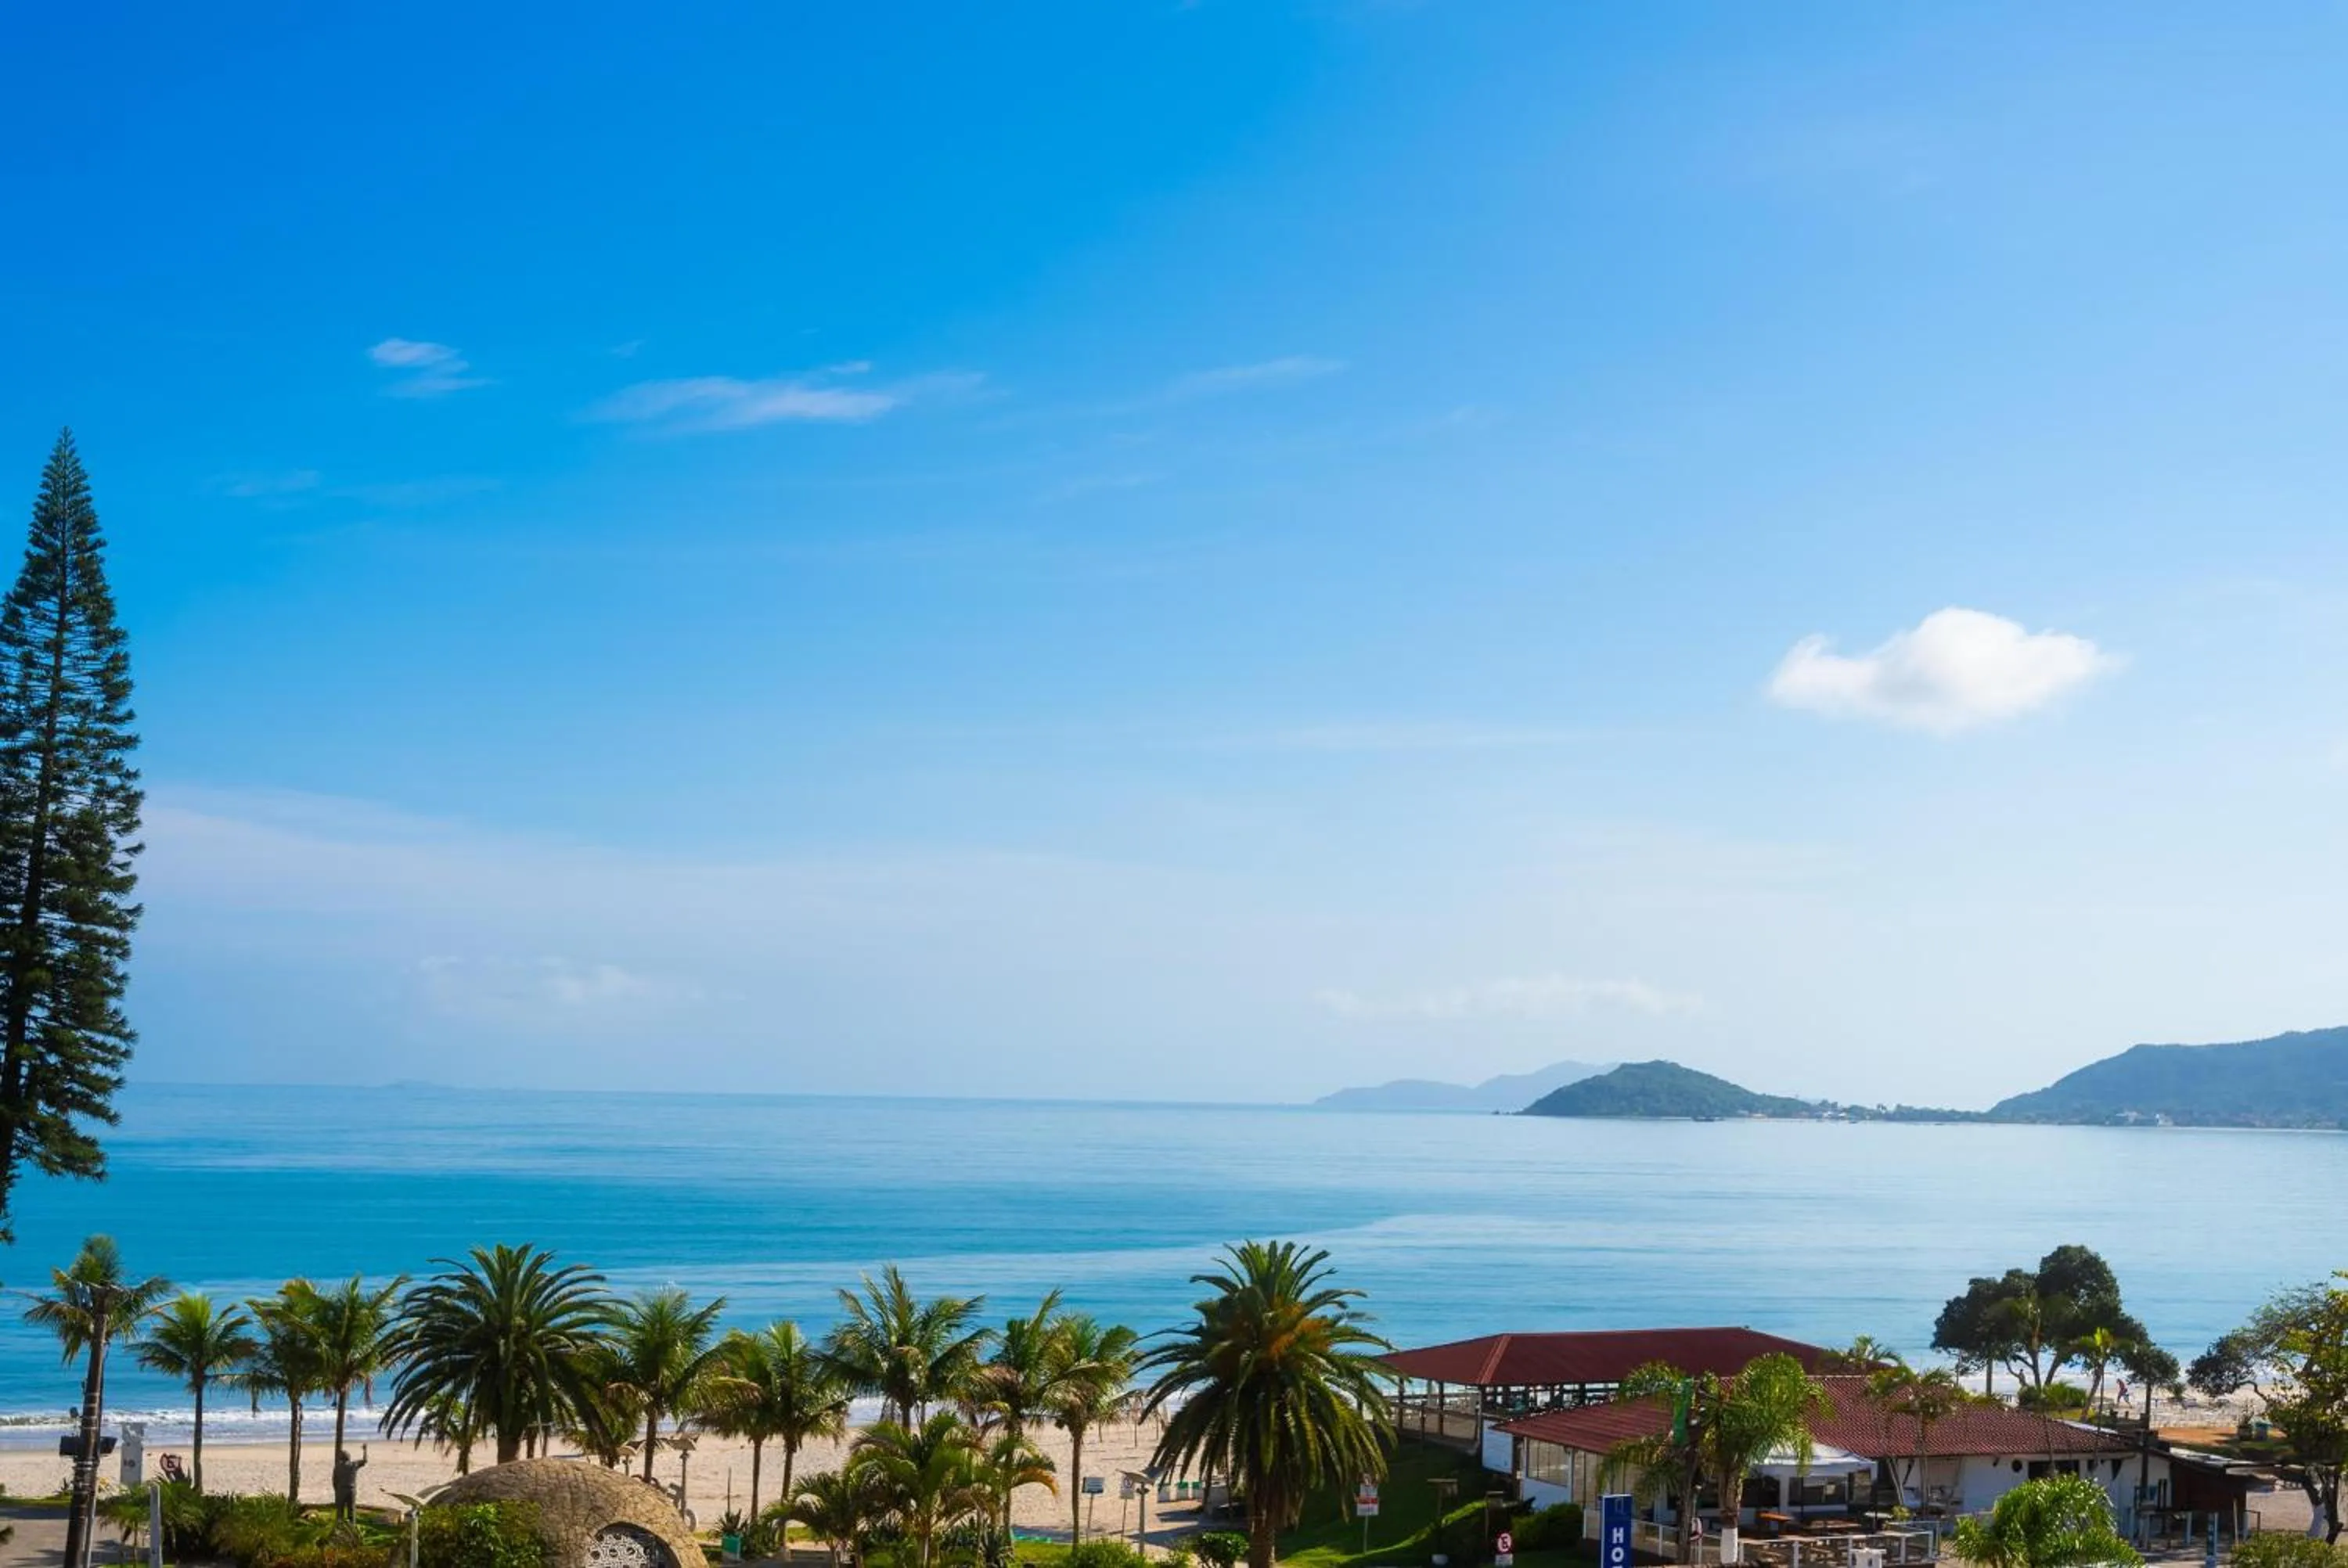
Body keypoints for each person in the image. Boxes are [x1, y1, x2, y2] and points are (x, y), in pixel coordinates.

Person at [332, 1444, 369, 1519]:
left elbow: (334, 1480)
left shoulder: (338, 1467)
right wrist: (365, 1450)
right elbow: (365, 1461)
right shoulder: (353, 1465)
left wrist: (336, 1490)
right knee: (351, 1510)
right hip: (351, 1490)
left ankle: (340, 1527)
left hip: (341, 1490)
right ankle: (352, 1526)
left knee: (340, 1511)